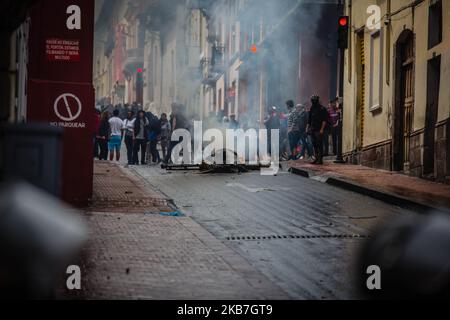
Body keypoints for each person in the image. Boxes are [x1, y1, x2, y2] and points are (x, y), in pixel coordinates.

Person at [307, 95, 329, 165]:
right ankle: (316, 158)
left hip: (319, 129)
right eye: (312, 100)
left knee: (319, 144)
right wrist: (307, 128)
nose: (313, 101)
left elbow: (324, 120)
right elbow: (309, 120)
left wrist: (322, 129)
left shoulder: (322, 108)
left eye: (314, 100)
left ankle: (320, 159)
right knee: (314, 144)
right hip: (313, 129)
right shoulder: (312, 108)